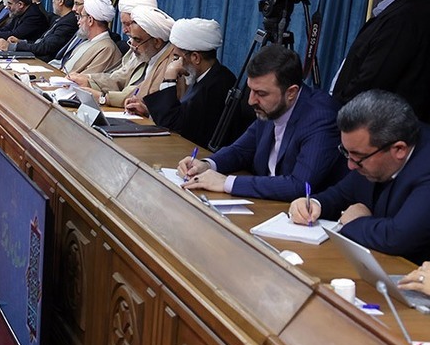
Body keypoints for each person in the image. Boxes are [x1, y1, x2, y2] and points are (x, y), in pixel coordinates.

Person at [178, 45, 343, 199]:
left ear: (291, 92)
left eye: (261, 93)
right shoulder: (270, 107)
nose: (251, 101)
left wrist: (227, 183)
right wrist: (207, 165)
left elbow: (299, 185)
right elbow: (240, 150)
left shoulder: (321, 117)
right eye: (250, 90)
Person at [288, 90, 430, 263]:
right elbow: (341, 194)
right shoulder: (370, 152)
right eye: (346, 153)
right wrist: (313, 204)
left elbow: (397, 238)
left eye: (357, 157)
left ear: (399, 149)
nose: (350, 165)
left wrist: (355, 222)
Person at [331, 0, 430, 121]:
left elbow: (371, 83)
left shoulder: (404, 18)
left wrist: (333, 113)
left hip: (370, 126)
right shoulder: (407, 10)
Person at [136, 17, 247, 149]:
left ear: (195, 57)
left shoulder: (217, 85)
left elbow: (173, 126)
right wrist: (149, 112)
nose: (174, 63)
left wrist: (169, 78)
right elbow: (185, 117)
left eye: (177, 57)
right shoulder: (205, 77)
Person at [72, 0, 157, 90]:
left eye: (128, 24)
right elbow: (118, 77)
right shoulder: (134, 48)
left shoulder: (108, 48)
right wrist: (89, 78)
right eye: (123, 24)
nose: (124, 30)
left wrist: (102, 96)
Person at [96, 5, 176, 108]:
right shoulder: (151, 55)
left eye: (137, 40)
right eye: (131, 38)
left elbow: (154, 100)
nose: (132, 45)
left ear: (157, 42)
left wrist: (103, 98)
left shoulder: (169, 64)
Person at [8, 0, 80, 60]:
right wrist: (21, 42)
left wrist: (15, 46)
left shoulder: (68, 22)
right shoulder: (60, 19)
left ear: (61, 1)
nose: (53, 1)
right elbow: (42, 42)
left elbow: (46, 47)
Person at [58, 0, 120, 75]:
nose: (78, 22)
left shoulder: (107, 49)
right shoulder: (86, 42)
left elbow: (85, 79)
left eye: (81, 17)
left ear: (90, 20)